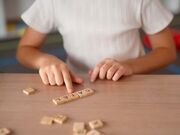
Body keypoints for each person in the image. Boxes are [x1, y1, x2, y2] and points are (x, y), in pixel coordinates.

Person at [16, 0, 176, 93]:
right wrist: (44, 61)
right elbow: (25, 48)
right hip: (77, 85)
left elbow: (167, 50)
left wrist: (129, 66)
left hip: (131, 85)